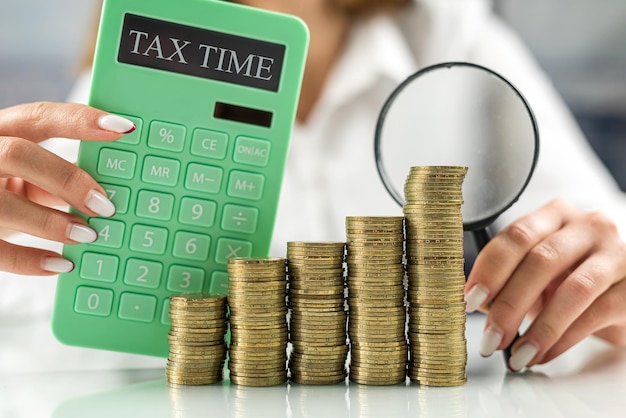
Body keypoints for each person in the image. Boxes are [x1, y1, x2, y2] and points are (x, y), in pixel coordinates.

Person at [1, 0, 626, 374]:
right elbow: (32, 312)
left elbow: (597, 233)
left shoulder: (449, 35)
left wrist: (610, 268)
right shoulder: (115, 87)